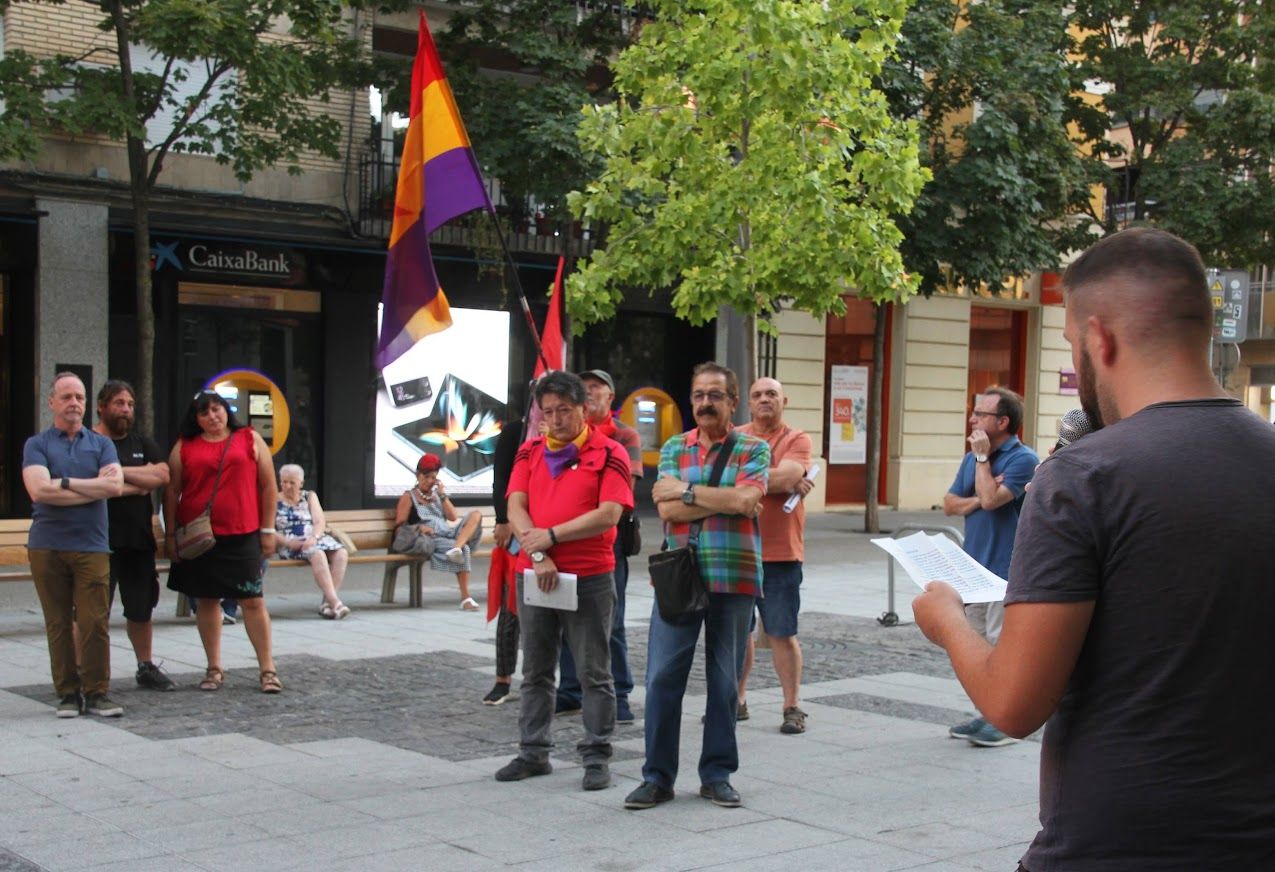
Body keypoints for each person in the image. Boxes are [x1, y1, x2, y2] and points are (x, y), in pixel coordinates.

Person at [913, 227, 1275, 869]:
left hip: (1118, 842)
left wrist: (945, 620)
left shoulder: (1083, 477)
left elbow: (1013, 703)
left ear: (1100, 339)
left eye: (1072, 347)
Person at [625, 362, 768, 811]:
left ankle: (717, 775)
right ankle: (657, 778)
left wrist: (686, 492)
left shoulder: (754, 448)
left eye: (715, 395)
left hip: (734, 574)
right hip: (679, 575)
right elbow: (666, 513)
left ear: (732, 400)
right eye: (699, 395)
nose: (705, 403)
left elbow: (748, 501)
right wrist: (718, 500)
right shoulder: (673, 446)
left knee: (724, 682)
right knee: (662, 678)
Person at [494, 371, 633, 791]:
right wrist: (538, 553)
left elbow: (609, 513)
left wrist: (553, 536)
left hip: (588, 574)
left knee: (594, 670)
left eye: (564, 411)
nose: (555, 419)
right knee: (536, 668)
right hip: (535, 573)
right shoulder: (529, 452)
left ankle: (596, 755)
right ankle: (533, 752)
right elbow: (515, 505)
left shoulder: (610, 453)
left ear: (584, 409)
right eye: (548, 411)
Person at [164, 391, 282, 693]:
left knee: (253, 600)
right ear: (196, 419)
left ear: (226, 411)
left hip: (242, 532)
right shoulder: (184, 446)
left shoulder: (249, 438)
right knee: (206, 600)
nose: (212, 417)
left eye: (216, 410)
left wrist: (267, 530)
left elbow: (269, 486)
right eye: (204, 413)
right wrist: (170, 536)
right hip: (200, 536)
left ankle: (267, 669)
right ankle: (213, 667)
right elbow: (171, 491)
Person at [940, 385, 1037, 748]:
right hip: (973, 566)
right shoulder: (972, 458)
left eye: (980, 414)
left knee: (1001, 644)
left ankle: (1007, 722)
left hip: (1005, 568)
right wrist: (980, 495)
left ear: (1003, 421)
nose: (972, 419)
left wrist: (983, 466)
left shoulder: (1021, 458)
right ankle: (988, 712)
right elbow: (950, 504)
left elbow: (993, 500)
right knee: (976, 644)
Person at [22, 373, 124, 717]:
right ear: (51, 402)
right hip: (47, 545)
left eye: (79, 397)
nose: (74, 403)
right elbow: (39, 491)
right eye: (66, 397)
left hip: (92, 545)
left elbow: (114, 487)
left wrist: (64, 482)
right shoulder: (36, 445)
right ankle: (67, 692)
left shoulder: (101, 444)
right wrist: (91, 486)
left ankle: (97, 692)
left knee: (95, 621)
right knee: (58, 622)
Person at [555, 369, 641, 725]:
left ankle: (619, 693)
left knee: (611, 620)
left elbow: (626, 487)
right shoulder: (567, 436)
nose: (589, 394)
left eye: (596, 388)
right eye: (584, 389)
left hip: (608, 540)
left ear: (610, 396)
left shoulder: (624, 436)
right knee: (563, 614)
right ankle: (570, 690)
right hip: (567, 538)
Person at [736, 377, 814, 734]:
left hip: (781, 552)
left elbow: (788, 476)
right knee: (737, 632)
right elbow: (779, 479)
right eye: (757, 395)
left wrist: (743, 479)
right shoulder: (734, 436)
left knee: (782, 632)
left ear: (785, 400)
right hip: (735, 549)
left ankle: (792, 706)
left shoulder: (796, 439)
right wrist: (778, 480)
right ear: (748, 403)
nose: (764, 399)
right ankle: (736, 702)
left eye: (771, 394)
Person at [92, 379, 175, 691]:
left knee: (141, 607)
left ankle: (145, 666)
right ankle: (86, 671)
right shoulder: (89, 441)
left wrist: (118, 474)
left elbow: (163, 475)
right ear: (101, 406)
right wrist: (139, 483)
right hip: (97, 541)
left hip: (137, 542)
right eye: (118, 403)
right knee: (92, 611)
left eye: (129, 404)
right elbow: (91, 482)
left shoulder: (141, 442)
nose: (125, 409)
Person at [393, 454, 483, 610]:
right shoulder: (409, 497)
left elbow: (453, 517)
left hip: (448, 532)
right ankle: (465, 597)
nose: (429, 481)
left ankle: (457, 546)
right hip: (432, 537)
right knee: (464, 550)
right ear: (418, 475)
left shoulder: (436, 496)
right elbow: (399, 527)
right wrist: (419, 527)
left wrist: (442, 495)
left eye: (433, 477)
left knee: (475, 515)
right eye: (426, 476)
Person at [484, 410, 526, 705]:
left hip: (553, 530)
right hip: (516, 531)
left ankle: (561, 683)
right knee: (510, 608)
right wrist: (502, 519)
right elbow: (501, 479)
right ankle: (503, 678)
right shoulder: (515, 432)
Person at [275, 464, 350, 619]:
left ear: (301, 483)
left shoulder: (309, 496)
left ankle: (327, 603)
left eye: (292, 482)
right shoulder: (273, 500)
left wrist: (314, 537)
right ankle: (335, 602)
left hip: (314, 538)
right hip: (291, 543)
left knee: (341, 553)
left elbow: (319, 521)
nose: (287, 486)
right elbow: (268, 530)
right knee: (318, 554)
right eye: (284, 482)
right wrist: (289, 543)